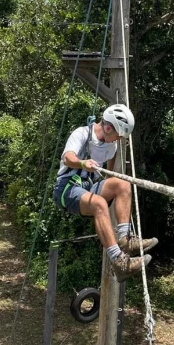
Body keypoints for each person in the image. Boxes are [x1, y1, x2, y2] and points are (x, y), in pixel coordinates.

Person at [53, 103, 157, 280]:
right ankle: (119, 262)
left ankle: (125, 239)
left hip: (88, 186)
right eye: (118, 136)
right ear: (108, 128)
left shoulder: (111, 147)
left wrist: (111, 187)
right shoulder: (82, 133)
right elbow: (68, 157)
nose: (118, 140)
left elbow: (110, 174)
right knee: (99, 203)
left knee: (123, 184)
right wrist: (83, 163)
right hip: (66, 188)